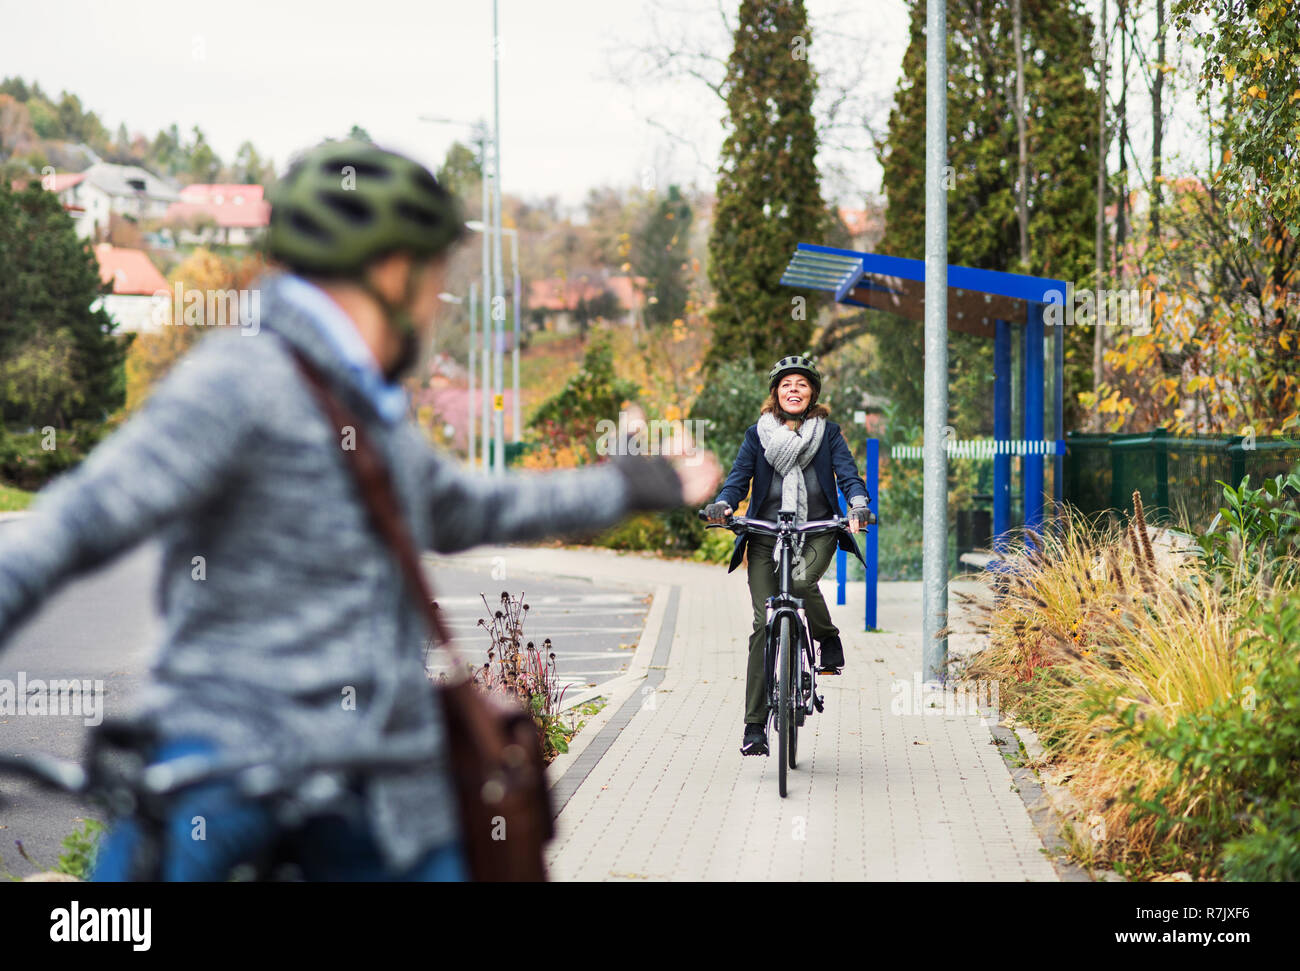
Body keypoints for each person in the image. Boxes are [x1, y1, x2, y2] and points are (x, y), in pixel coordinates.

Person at [0, 139, 720, 880]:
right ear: (393, 270)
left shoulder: (360, 401)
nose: (433, 302)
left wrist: (631, 485)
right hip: (231, 763)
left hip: (378, 781)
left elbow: (460, 506)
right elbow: (72, 522)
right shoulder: (239, 378)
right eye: (433, 276)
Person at [703, 356, 871, 757]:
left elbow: (848, 476)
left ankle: (826, 636)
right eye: (785, 385)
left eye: (801, 384)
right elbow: (737, 479)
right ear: (776, 394)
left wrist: (859, 504)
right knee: (764, 622)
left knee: (798, 582)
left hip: (816, 529)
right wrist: (724, 504)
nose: (793, 390)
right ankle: (755, 726)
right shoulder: (756, 435)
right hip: (764, 533)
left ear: (812, 392)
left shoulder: (828, 434)